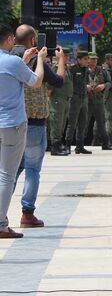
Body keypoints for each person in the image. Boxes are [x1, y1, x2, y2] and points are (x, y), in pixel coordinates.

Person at [11, 26, 66, 228]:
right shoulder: (36, 60)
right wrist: (61, 61)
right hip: (34, 122)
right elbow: (58, 82)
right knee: (33, 169)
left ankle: (1, 213)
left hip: (11, 121)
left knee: (10, 171)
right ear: (33, 40)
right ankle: (27, 212)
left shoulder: (7, 58)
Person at [0, 23, 45, 239]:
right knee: (6, 176)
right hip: (12, 125)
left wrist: (24, 61)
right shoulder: (12, 61)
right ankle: (1, 224)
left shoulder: (14, 62)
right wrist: (41, 62)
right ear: (9, 39)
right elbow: (35, 82)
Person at [85, 53, 112, 150]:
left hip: (98, 100)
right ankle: (79, 144)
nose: (94, 61)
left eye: (96, 59)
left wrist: (104, 86)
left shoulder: (102, 70)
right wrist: (85, 86)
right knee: (84, 122)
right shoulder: (83, 70)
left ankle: (105, 143)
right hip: (86, 100)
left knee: (101, 122)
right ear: (87, 60)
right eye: (92, 59)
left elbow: (109, 82)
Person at [48, 48, 73, 156]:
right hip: (57, 99)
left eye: (67, 56)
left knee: (62, 123)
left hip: (66, 100)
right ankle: (55, 146)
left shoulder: (66, 68)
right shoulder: (55, 68)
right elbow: (49, 87)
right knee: (56, 123)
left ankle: (59, 144)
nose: (67, 58)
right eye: (65, 56)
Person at [66, 52, 92, 154]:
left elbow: (85, 82)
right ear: (79, 60)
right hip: (75, 98)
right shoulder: (72, 69)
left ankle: (79, 146)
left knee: (83, 123)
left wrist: (87, 86)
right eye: (85, 59)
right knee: (72, 123)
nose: (87, 61)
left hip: (84, 98)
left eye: (87, 59)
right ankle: (67, 145)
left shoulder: (86, 70)